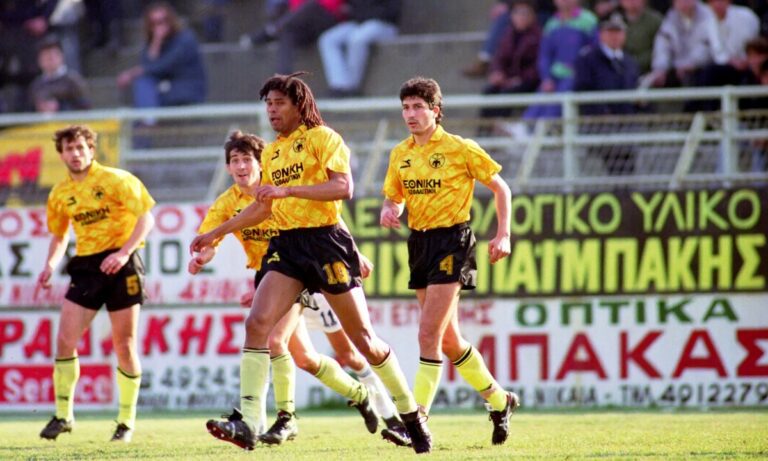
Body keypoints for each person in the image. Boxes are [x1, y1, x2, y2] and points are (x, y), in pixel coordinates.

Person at [190, 73, 430, 454]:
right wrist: (215, 233)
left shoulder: (323, 138)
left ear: (298, 105)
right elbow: (262, 207)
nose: (271, 111)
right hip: (287, 246)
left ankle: (410, 415)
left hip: (325, 242)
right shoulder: (272, 152)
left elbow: (343, 187)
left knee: (364, 342)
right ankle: (249, 423)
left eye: (279, 103)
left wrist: (288, 190)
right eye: (268, 104)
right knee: (257, 324)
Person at [379, 77, 519, 448]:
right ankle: (500, 401)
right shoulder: (400, 153)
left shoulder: (460, 148)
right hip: (419, 243)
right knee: (449, 341)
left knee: (427, 334)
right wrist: (390, 210)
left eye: (418, 107)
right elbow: (395, 196)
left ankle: (416, 418)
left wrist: (503, 234)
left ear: (436, 110)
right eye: (406, 107)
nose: (410, 114)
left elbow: (501, 188)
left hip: (452, 241)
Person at [37, 125, 156, 443]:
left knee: (124, 345)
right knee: (65, 340)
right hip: (87, 267)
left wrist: (124, 252)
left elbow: (146, 218)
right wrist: (50, 264)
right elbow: (60, 235)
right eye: (69, 149)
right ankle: (63, 416)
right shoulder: (60, 193)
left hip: (122, 264)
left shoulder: (116, 179)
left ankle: (125, 423)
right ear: (61, 155)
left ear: (92, 149)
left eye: (81, 147)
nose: (76, 154)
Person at [573, 13, 640, 174]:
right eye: (610, 32)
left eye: (618, 32)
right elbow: (582, 91)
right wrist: (603, 113)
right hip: (600, 125)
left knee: (628, 164)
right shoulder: (587, 60)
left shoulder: (630, 62)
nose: (614, 36)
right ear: (601, 34)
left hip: (627, 125)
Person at [116, 2, 207, 109]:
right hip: (164, 90)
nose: (159, 27)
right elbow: (147, 65)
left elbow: (165, 65)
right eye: (154, 24)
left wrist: (131, 74)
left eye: (162, 21)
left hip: (185, 90)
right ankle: (147, 118)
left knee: (144, 83)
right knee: (143, 82)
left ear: (171, 21)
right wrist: (156, 42)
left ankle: (148, 118)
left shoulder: (185, 39)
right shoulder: (152, 44)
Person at [523, 0, 598, 119]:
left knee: (562, 94)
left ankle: (545, 125)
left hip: (577, 74)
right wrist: (546, 77)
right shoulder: (552, 24)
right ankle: (526, 124)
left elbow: (594, 50)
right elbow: (545, 55)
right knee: (543, 93)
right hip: (556, 74)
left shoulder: (588, 20)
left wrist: (580, 67)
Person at [318, 0, 401, 97]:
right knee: (328, 39)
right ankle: (339, 85)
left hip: (383, 24)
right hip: (358, 23)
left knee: (357, 39)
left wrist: (363, 14)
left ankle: (351, 87)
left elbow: (392, 12)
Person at [479, 0, 541, 124]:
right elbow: (499, 58)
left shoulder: (538, 37)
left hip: (528, 82)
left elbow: (537, 66)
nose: (521, 17)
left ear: (533, 16)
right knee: (489, 91)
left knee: (508, 93)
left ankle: (502, 128)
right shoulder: (507, 35)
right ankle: (484, 130)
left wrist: (519, 79)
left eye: (525, 13)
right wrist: (497, 73)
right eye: (517, 13)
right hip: (508, 80)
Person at [242, 1, 343, 74]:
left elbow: (331, 5)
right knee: (288, 32)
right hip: (304, 23)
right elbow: (295, 7)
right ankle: (283, 77)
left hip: (331, 21)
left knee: (312, 5)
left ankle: (270, 31)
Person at [649, 0, 726, 87]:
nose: (683, 3)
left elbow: (707, 47)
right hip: (677, 68)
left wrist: (690, 65)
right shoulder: (670, 19)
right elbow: (662, 46)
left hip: (702, 67)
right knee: (658, 80)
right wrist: (660, 68)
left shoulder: (707, 16)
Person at [29, 37, 91, 113]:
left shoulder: (73, 81)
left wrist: (60, 107)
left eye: (52, 56)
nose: (50, 60)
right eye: (46, 56)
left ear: (61, 56)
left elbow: (85, 108)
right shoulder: (36, 85)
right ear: (39, 60)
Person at [616, 0, 663, 75]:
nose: (632, 1)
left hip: (650, 70)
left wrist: (637, 61)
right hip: (621, 70)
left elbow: (661, 48)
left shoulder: (655, 20)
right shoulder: (615, 20)